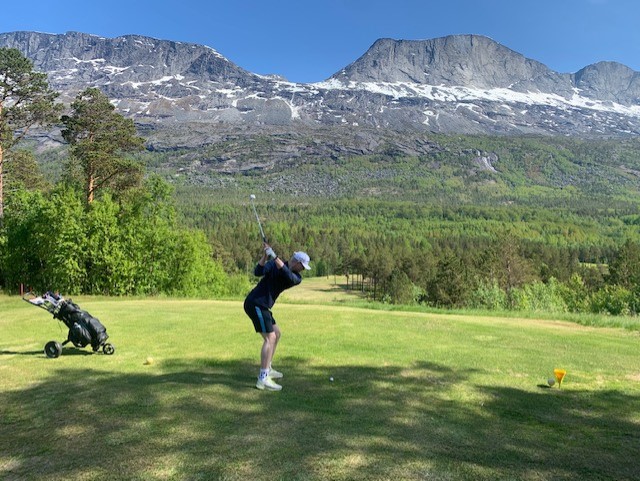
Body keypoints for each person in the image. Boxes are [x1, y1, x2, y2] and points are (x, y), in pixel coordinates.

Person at [244, 242, 311, 391]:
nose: (303, 270)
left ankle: (268, 367)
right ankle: (263, 378)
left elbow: (287, 274)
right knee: (270, 338)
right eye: (302, 266)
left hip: (263, 305)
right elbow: (258, 271)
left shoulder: (296, 277)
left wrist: (274, 257)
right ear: (297, 262)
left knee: (277, 333)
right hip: (255, 303)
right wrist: (265, 256)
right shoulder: (274, 265)